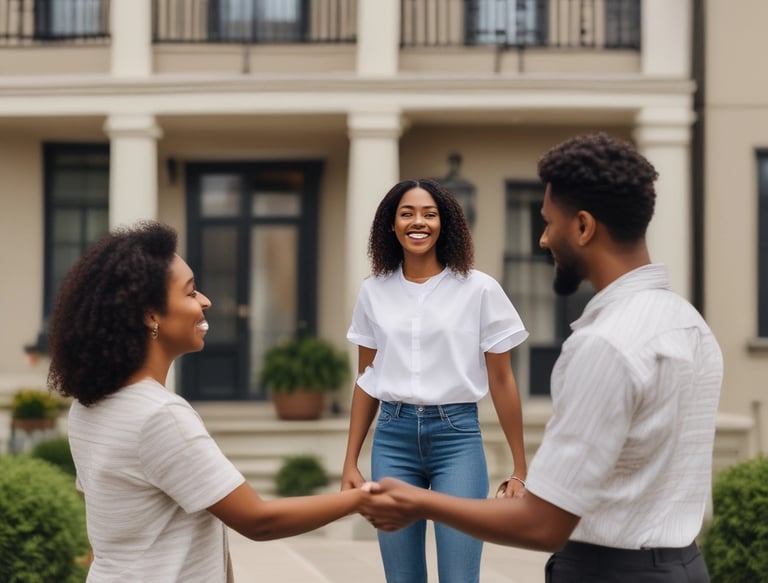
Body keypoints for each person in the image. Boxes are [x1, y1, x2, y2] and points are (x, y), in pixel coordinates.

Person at [360, 133, 723, 583]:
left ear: (584, 227)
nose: (543, 238)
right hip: (683, 565)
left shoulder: (603, 344)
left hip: (609, 569)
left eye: (549, 222)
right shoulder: (692, 326)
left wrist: (418, 501)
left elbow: (542, 522)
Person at [47, 221, 370, 582]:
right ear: (151, 315)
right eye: (190, 293)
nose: (205, 301)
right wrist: (361, 500)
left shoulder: (89, 405)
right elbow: (258, 519)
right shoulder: (160, 416)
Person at [341, 178, 529, 583]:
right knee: (402, 576)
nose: (418, 222)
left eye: (429, 214)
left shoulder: (479, 289)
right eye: (407, 213)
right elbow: (367, 379)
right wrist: (350, 459)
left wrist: (520, 467)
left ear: (446, 224)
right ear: (391, 226)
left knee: (460, 576)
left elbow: (502, 380)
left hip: (457, 438)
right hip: (392, 438)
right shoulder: (373, 291)